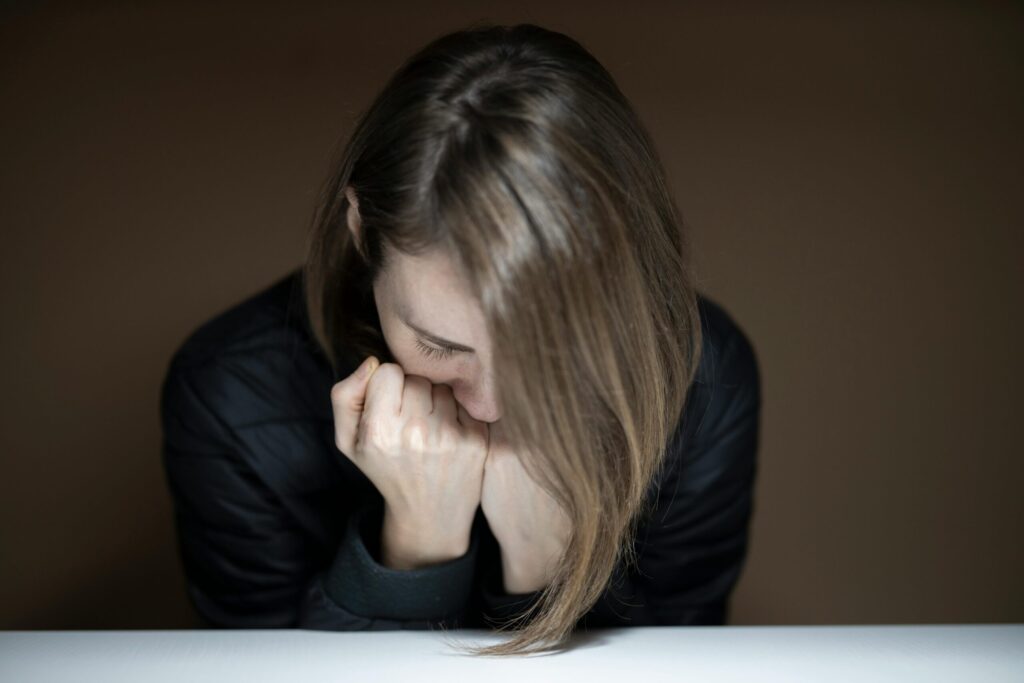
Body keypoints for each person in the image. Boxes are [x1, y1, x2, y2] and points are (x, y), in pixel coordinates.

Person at [160, 23, 761, 657]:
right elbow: (260, 670)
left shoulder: (701, 375)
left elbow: (681, 658)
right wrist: (416, 546)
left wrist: (545, 566)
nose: (490, 407)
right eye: (442, 346)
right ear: (362, 230)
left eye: (544, 351)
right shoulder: (229, 395)